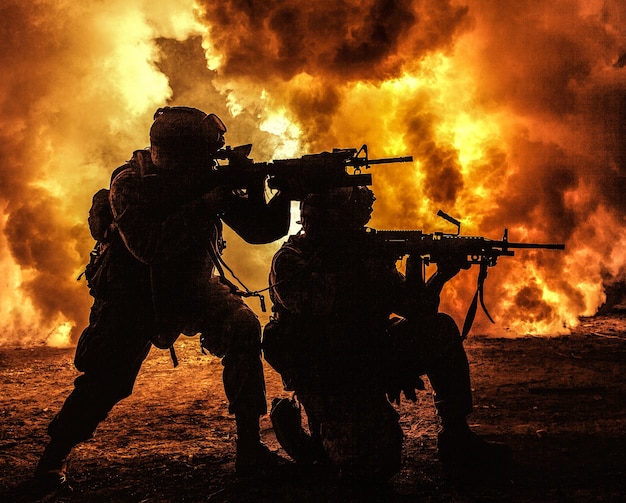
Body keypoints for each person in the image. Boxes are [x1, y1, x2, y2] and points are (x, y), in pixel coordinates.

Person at [34, 106, 291, 491]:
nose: (211, 163)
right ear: (179, 155)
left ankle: (250, 450)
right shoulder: (130, 184)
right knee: (107, 381)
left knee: (242, 327)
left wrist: (269, 188)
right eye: (204, 156)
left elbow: (260, 231)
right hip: (132, 296)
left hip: (193, 288)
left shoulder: (204, 181)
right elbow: (149, 247)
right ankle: (52, 460)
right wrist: (208, 203)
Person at [263, 186, 511, 481]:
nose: (359, 231)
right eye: (350, 224)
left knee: (439, 330)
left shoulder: (364, 256)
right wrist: (365, 269)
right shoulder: (290, 261)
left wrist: (440, 273)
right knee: (372, 465)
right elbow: (326, 305)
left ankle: (457, 437)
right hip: (329, 375)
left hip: (367, 357)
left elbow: (417, 310)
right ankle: (311, 447)